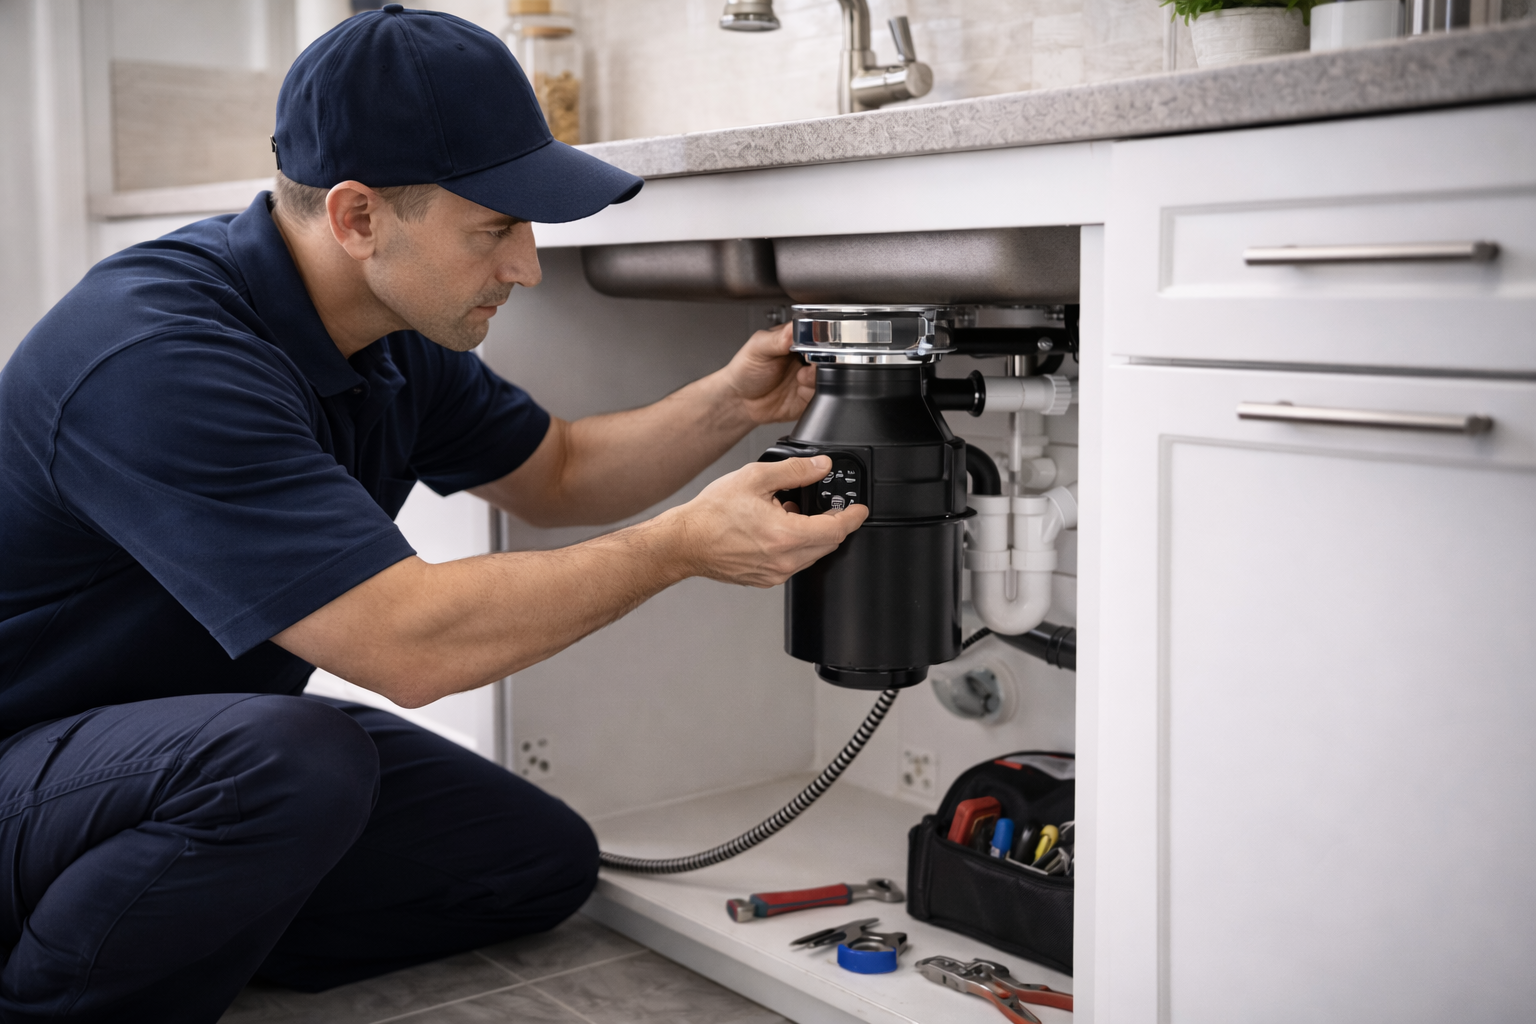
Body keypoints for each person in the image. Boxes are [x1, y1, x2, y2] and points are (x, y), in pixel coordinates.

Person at [0, 7, 865, 1022]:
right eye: (495, 228)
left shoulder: (390, 332)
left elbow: (562, 473)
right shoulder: (157, 356)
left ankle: (179, 922)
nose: (528, 265)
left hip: (160, 746)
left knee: (533, 863)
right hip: (29, 756)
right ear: (360, 217)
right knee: (293, 765)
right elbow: (407, 646)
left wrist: (732, 400)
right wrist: (682, 545)